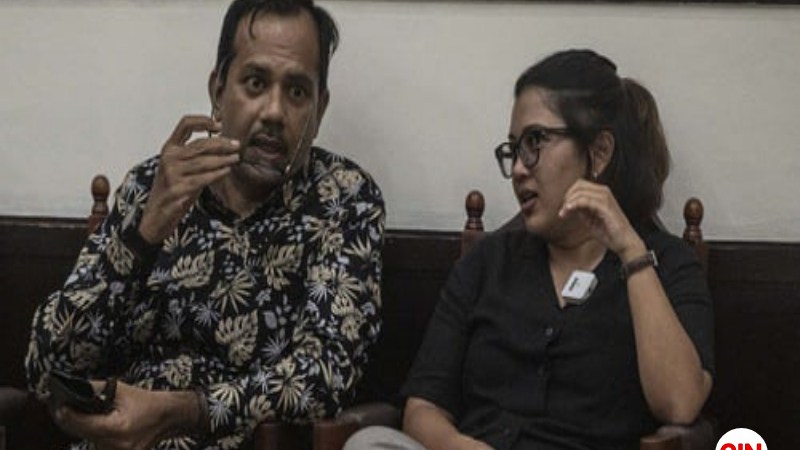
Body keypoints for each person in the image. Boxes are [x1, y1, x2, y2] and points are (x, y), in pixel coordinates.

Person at [24, 0, 385, 449]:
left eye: (297, 92)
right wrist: (142, 238)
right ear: (218, 91)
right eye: (256, 83)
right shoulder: (152, 185)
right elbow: (46, 367)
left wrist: (183, 411)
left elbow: (327, 373)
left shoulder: (343, 198)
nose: (274, 112)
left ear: (319, 109)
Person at [345, 49, 713, 450]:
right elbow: (423, 408)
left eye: (536, 141)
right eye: (514, 149)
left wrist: (630, 251)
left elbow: (679, 404)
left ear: (599, 152)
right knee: (370, 443)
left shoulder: (668, 264)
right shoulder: (487, 263)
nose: (520, 168)